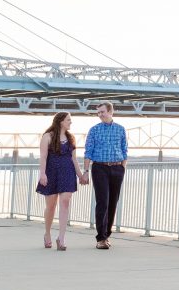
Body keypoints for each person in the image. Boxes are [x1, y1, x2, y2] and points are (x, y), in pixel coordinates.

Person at [35, 112, 87, 251]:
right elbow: (43, 157)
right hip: (51, 173)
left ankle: (61, 238)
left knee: (65, 202)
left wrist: (81, 175)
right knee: (51, 206)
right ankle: (47, 234)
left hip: (67, 173)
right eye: (68, 120)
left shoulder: (71, 138)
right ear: (61, 121)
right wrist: (42, 174)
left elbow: (74, 159)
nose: (71, 122)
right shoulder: (48, 136)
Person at [83, 102, 127, 249]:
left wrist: (123, 167)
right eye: (98, 113)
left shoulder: (121, 129)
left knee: (113, 202)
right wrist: (86, 171)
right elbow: (88, 152)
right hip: (99, 168)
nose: (100, 115)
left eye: (102, 112)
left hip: (117, 168)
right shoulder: (94, 130)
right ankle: (100, 238)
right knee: (103, 202)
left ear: (110, 111)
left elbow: (124, 150)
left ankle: (107, 235)